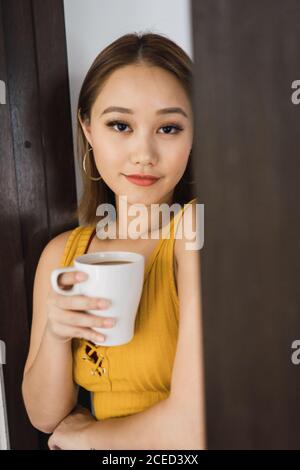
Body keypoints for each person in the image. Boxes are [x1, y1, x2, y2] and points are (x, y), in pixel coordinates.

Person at [21, 32, 206, 450]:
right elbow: (45, 416)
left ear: (196, 133)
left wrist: (88, 439)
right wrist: (55, 333)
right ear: (87, 127)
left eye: (169, 127)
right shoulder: (63, 253)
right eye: (120, 125)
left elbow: (194, 435)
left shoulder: (195, 232)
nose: (144, 152)